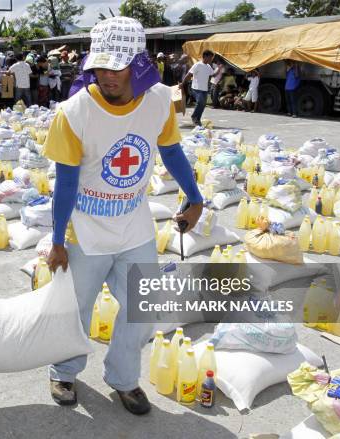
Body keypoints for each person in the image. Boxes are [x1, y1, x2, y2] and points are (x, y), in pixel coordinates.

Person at [43, 16, 203, 416]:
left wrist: (196, 196)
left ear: (140, 64)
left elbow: (170, 151)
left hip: (133, 226)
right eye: (100, 65)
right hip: (86, 231)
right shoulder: (74, 112)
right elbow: (65, 183)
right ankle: (65, 370)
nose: (106, 75)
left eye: (117, 66)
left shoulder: (159, 102)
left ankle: (123, 378)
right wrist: (57, 240)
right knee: (76, 307)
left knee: (141, 307)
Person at [182, 50, 215, 126]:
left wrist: (220, 69)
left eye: (211, 58)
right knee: (200, 102)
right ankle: (194, 117)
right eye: (210, 57)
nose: (211, 59)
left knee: (203, 104)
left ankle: (198, 119)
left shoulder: (208, 66)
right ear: (205, 56)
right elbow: (189, 74)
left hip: (204, 89)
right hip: (196, 88)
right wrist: (183, 84)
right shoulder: (197, 65)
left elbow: (212, 74)